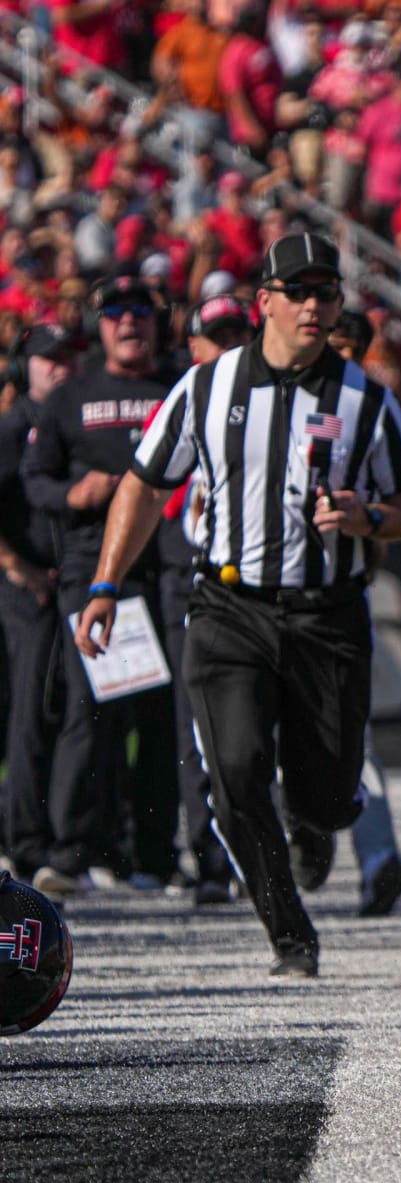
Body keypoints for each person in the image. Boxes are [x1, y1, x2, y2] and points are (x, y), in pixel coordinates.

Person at [74, 232, 401, 977]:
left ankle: (315, 825)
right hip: (229, 605)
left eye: (325, 293)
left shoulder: (365, 395)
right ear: (263, 301)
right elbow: (144, 483)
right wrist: (106, 583)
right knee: (235, 769)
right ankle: (287, 931)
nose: (312, 305)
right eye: (297, 291)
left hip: (328, 613)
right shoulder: (207, 385)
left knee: (332, 795)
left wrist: (370, 518)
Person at [22, 276, 180, 897]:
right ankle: (74, 851)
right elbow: (35, 478)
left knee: (161, 718)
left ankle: (154, 854)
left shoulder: (176, 388)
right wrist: (70, 495)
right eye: (116, 313)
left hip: (164, 573)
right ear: (100, 324)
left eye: (141, 312)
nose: (129, 323)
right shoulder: (72, 395)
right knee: (92, 716)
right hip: (93, 578)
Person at [153, 295, 257, 905]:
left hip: (262, 586)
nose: (225, 350)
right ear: (194, 346)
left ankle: (258, 853)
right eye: (214, 339)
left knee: (256, 730)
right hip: (194, 582)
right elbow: (151, 490)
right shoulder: (189, 398)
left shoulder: (280, 400)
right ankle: (213, 860)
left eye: (234, 337)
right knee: (198, 730)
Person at [327, 304, 401, 919]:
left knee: (351, 734)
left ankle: (379, 860)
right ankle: (278, 853)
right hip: (253, 596)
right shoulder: (258, 395)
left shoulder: (369, 412)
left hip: (338, 591)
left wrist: (368, 529)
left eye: (349, 347)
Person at [0, 324, 81, 882]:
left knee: (75, 713)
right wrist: (15, 566)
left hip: (71, 585)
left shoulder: (68, 421)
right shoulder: (12, 427)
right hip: (27, 591)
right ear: (20, 368)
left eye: (66, 357)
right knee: (28, 713)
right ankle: (25, 842)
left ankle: (73, 839)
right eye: (46, 359)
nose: (59, 367)